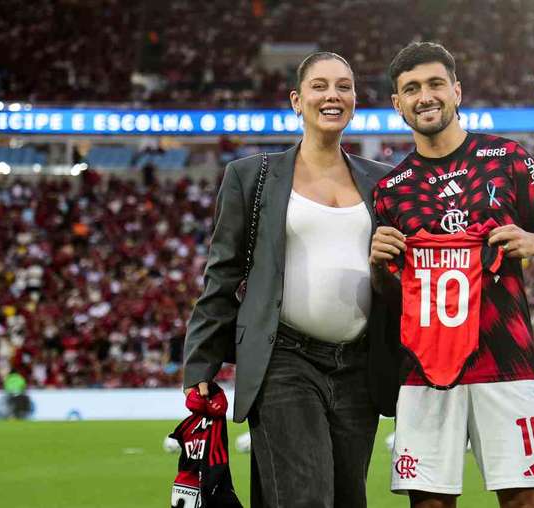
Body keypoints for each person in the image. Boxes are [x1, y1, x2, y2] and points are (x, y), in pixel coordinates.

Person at [183, 52, 398, 508]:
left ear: (355, 100)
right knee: (305, 498)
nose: (333, 95)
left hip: (358, 368)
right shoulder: (251, 176)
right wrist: (201, 364)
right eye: (320, 86)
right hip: (284, 359)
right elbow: (223, 273)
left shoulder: (384, 182)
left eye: (344, 86)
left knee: (347, 499)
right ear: (297, 101)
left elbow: (398, 278)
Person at [369, 42, 534, 508]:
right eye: (411, 89)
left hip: (505, 361)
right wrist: (378, 265)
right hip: (424, 369)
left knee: (526, 501)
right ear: (397, 103)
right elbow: (392, 295)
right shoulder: (390, 191)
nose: (425, 96)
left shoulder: (507, 158)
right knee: (429, 504)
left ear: (457, 91)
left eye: (435, 84)